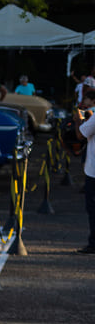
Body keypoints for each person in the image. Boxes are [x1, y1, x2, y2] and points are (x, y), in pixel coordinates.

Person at [78, 91, 95, 253]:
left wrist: (78, 119)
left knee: (92, 207)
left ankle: (93, 243)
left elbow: (81, 134)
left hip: (93, 170)